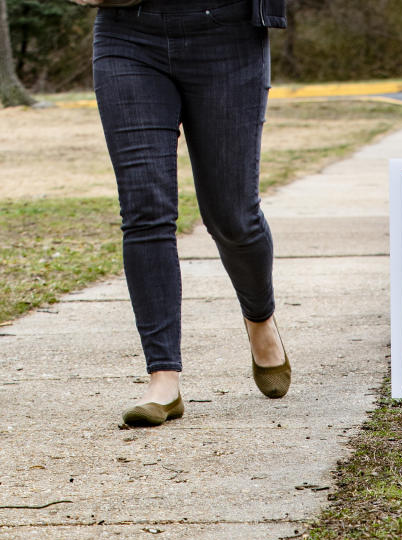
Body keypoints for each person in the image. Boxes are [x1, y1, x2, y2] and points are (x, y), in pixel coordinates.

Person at [73, 0, 290, 427]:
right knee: (145, 209)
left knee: (232, 216)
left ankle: (259, 316)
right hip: (127, 32)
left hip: (229, 34)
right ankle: (163, 379)